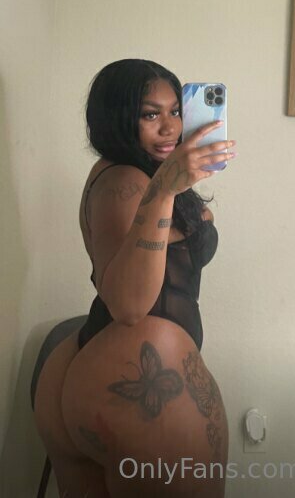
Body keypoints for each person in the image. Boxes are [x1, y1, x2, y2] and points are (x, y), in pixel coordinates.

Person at [34, 59, 235, 497]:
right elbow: (129, 305)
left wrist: (173, 188)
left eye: (175, 111)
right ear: (117, 118)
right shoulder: (130, 182)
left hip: (88, 368)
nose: (169, 127)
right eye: (150, 114)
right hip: (145, 381)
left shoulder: (125, 173)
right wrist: (164, 190)